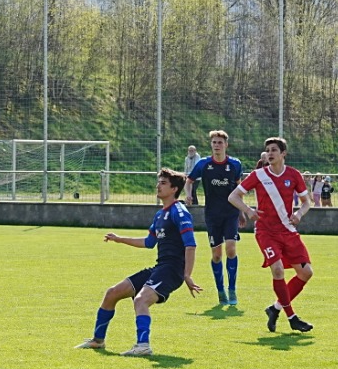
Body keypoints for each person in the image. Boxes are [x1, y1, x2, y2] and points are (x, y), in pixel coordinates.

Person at [77, 169, 201, 357]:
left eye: (163, 183)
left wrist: (187, 275)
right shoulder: (160, 215)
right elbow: (149, 242)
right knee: (112, 293)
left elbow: (190, 245)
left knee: (141, 300)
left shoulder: (179, 212)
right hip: (160, 268)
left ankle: (143, 346)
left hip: (172, 271)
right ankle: (97, 340)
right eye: (158, 182)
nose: (158, 186)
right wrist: (120, 239)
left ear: (174, 189)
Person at [229, 136, 315, 333]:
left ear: (283, 153)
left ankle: (275, 308)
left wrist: (299, 214)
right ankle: (292, 318)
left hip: (288, 231)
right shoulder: (258, 175)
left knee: (306, 273)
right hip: (266, 232)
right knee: (277, 270)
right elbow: (233, 196)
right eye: (267, 150)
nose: (270, 153)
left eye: (274, 150)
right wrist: (248, 210)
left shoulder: (293, 175)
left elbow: (306, 202)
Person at [184, 129, 244, 306]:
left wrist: (241, 211)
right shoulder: (203, 164)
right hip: (212, 215)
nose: (217, 145)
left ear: (226, 145)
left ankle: (232, 289)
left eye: (220, 142)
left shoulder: (235, 164)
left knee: (231, 249)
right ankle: (221, 291)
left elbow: (239, 189)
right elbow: (189, 181)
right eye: (214, 142)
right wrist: (188, 194)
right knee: (217, 255)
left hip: (231, 213)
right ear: (211, 145)